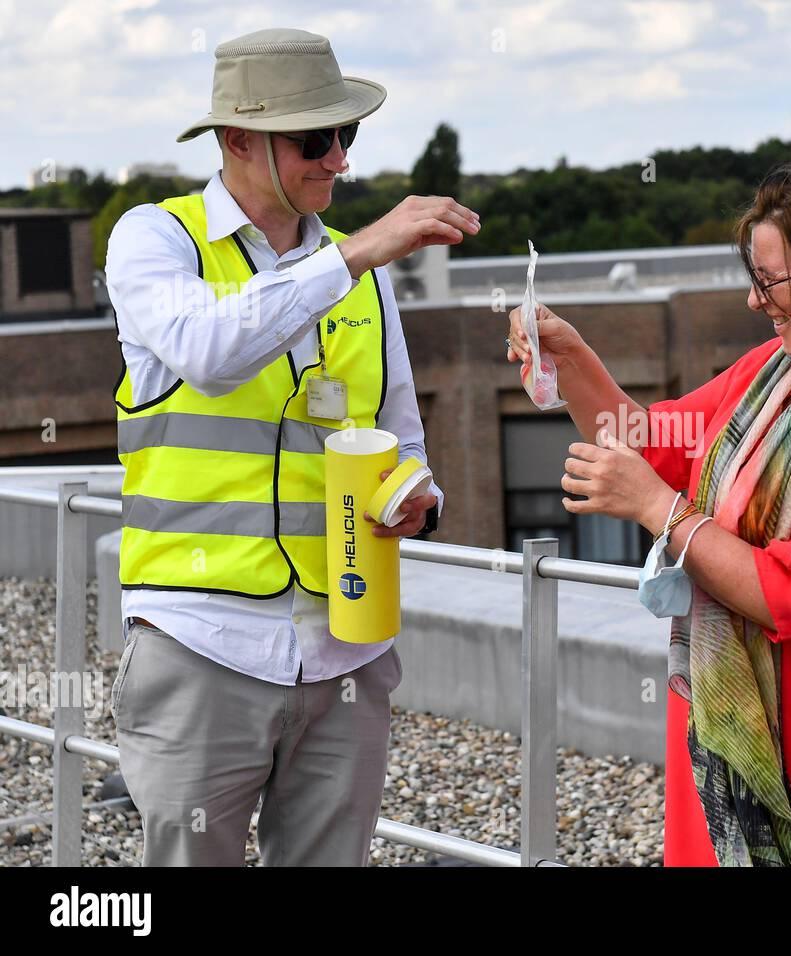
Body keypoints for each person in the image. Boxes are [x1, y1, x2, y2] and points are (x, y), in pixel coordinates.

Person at [506, 154, 791, 866]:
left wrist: (661, 512)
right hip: (753, 736)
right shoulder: (777, 370)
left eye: (773, 281)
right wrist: (570, 362)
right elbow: (656, 442)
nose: (758, 301)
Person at [105, 28, 478, 865]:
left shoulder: (361, 278)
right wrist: (352, 257)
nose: (339, 160)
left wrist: (416, 494)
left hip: (347, 647)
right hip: (201, 641)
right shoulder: (157, 240)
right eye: (317, 139)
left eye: (348, 136)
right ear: (237, 139)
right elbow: (208, 348)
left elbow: (402, 438)